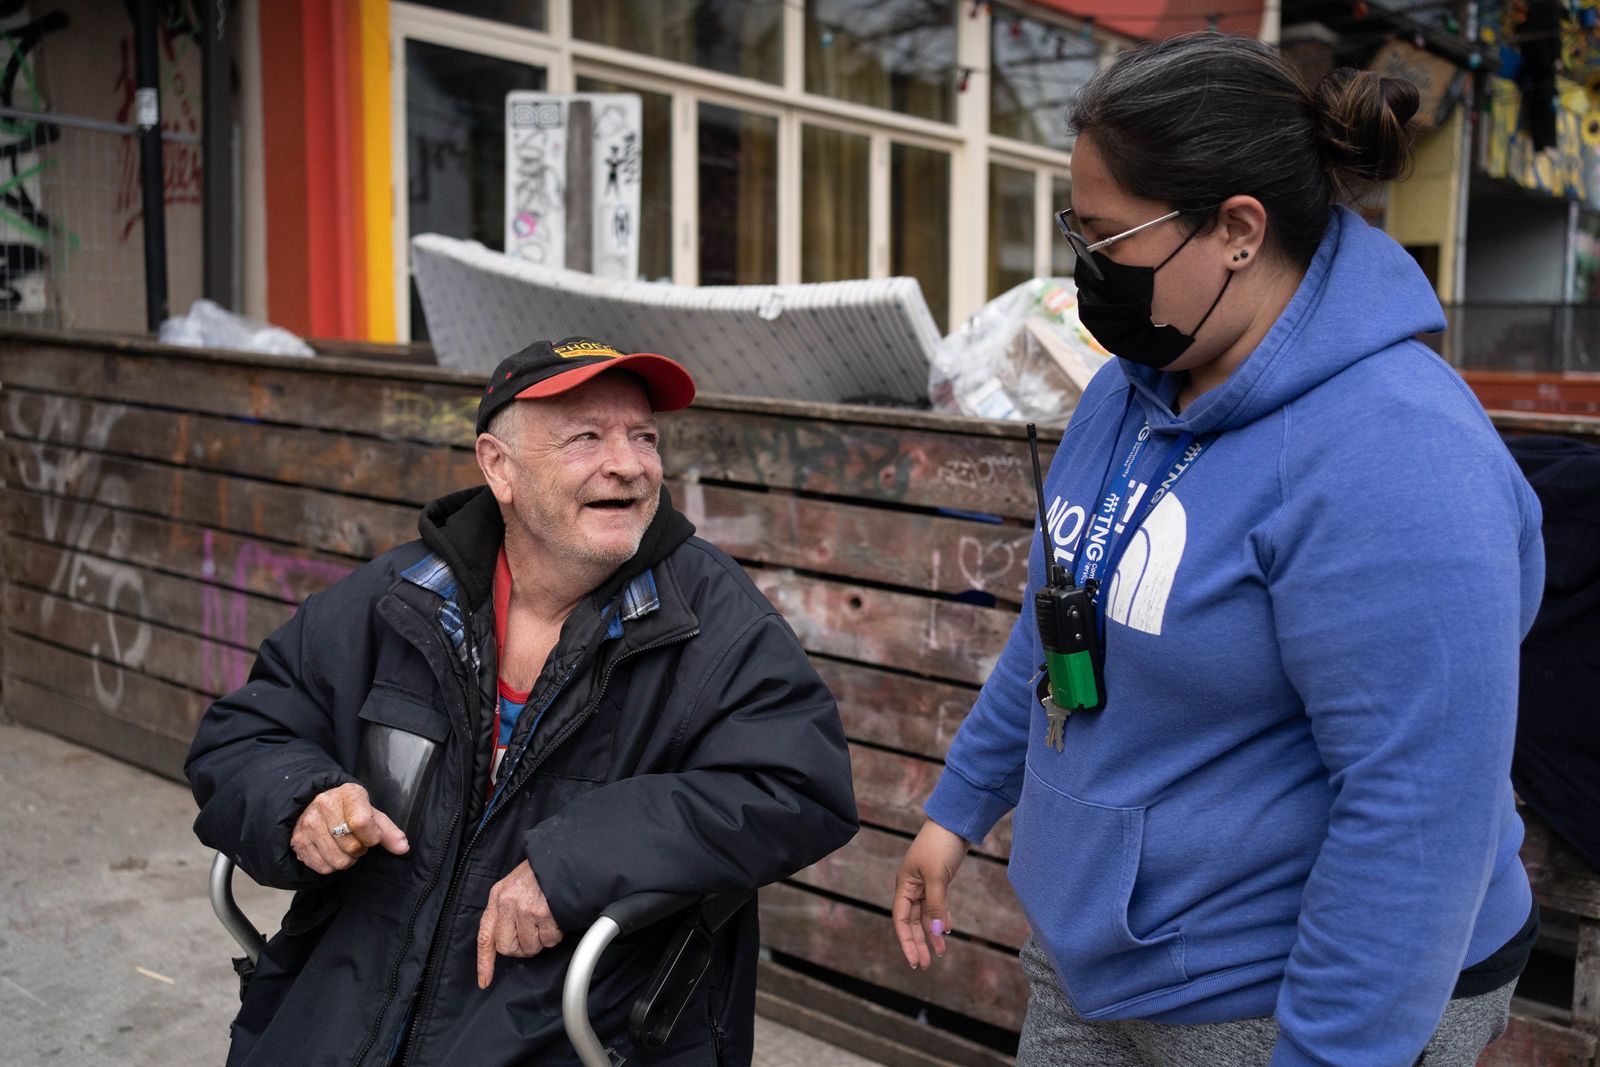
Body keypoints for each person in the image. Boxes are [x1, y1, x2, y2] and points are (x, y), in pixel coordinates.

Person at [891, 34, 1543, 1067]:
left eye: (1108, 236)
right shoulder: (1129, 391)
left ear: (1237, 229)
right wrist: (957, 809)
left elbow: (1414, 808)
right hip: (1095, 951)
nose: (1085, 267)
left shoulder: (1396, 453)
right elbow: (1058, 619)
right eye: (1077, 228)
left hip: (1282, 995)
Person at [188, 336, 858, 1066]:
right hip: (346, 997)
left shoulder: (710, 618)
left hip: (565, 1019)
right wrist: (302, 801)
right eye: (587, 438)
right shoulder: (405, 597)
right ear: (497, 467)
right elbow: (241, 734)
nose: (629, 464)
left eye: (644, 438)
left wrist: (576, 861)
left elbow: (800, 785)